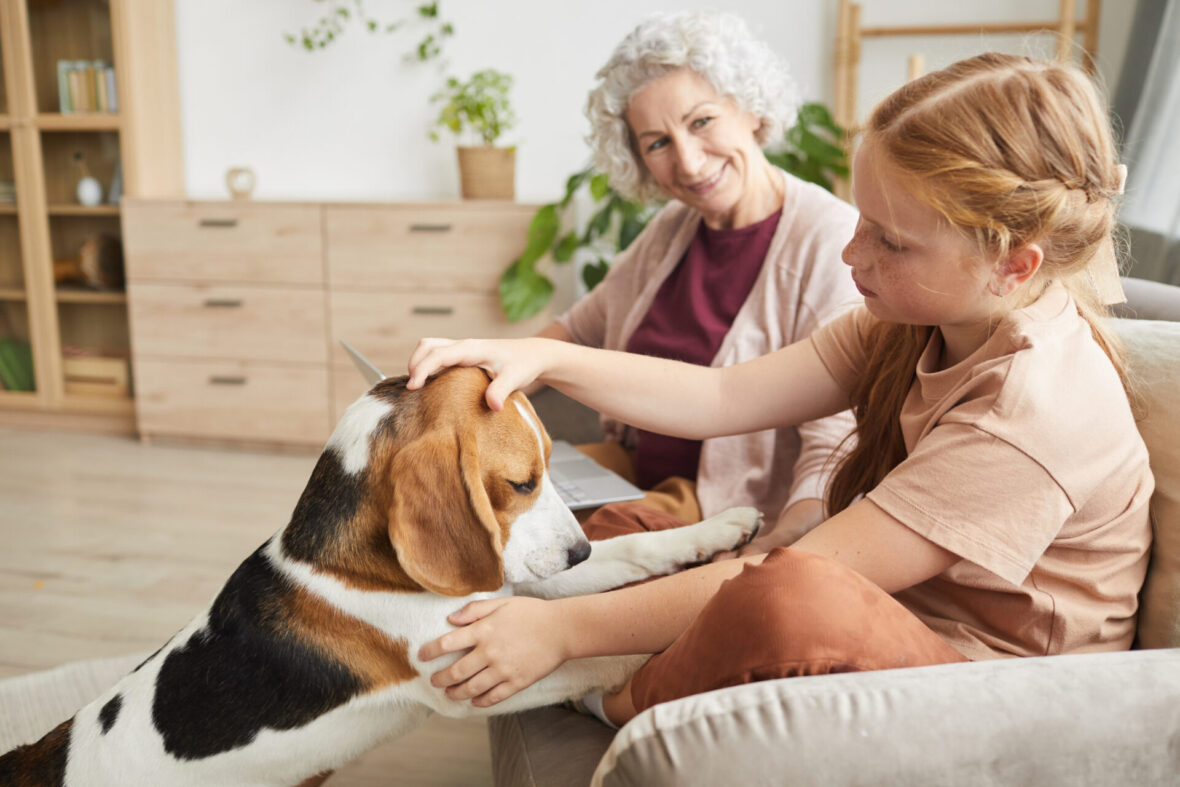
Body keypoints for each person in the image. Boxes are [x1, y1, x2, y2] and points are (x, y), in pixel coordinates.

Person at [407, 52, 1153, 728]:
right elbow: (720, 398)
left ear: (1012, 266)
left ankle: (615, 695)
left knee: (792, 590)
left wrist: (561, 634)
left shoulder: (1031, 405)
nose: (851, 251)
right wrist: (539, 356)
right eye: (862, 218)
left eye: (890, 240)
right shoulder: (912, 319)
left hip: (1004, 690)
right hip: (903, 618)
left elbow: (824, 576)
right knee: (735, 568)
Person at [531, 11, 858, 547]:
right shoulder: (673, 230)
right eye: (657, 143)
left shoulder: (830, 240)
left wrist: (786, 547)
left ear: (750, 108)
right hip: (629, 474)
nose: (687, 161)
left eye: (701, 122)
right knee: (482, 497)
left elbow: (835, 440)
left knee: (544, 541)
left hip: (721, 505)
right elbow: (574, 330)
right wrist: (476, 374)